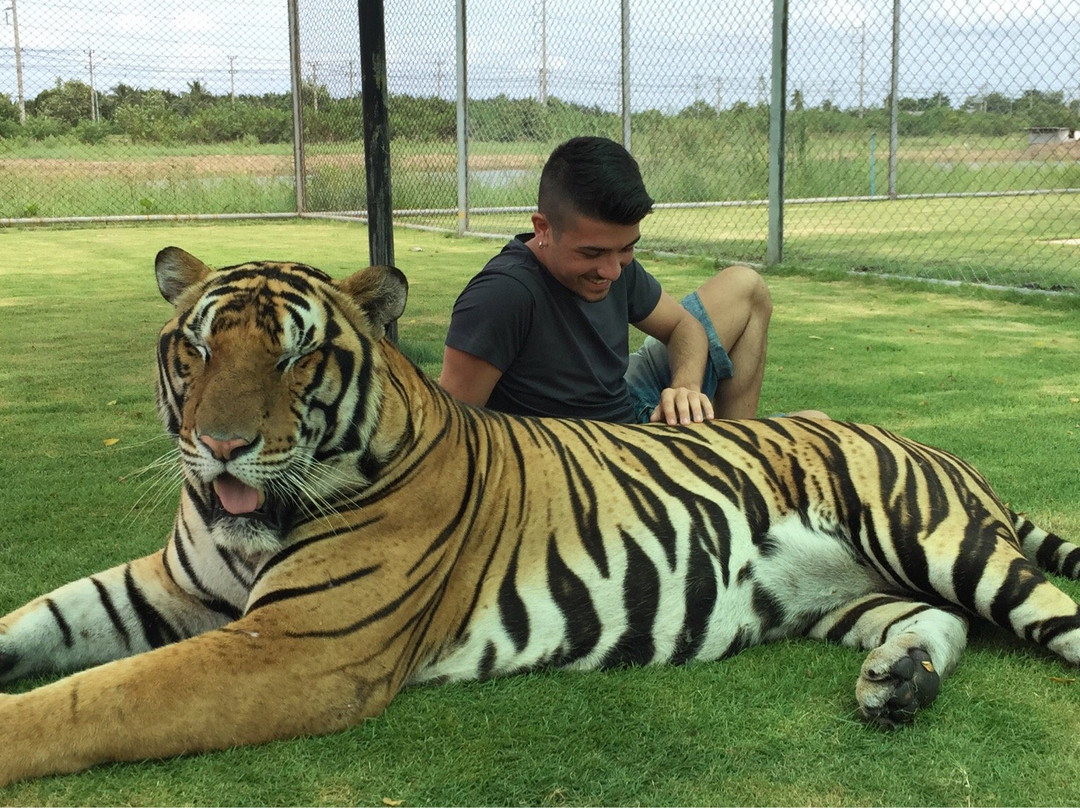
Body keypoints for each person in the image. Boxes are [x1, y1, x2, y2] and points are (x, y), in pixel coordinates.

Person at [439, 135, 825, 425]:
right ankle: (731, 470)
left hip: (629, 402)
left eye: (626, 248)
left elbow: (682, 325)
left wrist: (686, 386)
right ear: (543, 228)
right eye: (591, 253)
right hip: (597, 455)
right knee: (816, 427)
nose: (611, 271)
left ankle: (730, 449)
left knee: (745, 285)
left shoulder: (616, 265)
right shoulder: (502, 296)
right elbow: (450, 431)